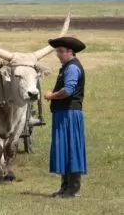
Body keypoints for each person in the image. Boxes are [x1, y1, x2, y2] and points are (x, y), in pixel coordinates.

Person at [44, 36, 87, 198]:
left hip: (69, 114)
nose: (58, 55)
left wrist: (52, 95)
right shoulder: (67, 66)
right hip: (63, 113)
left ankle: (73, 189)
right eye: (57, 51)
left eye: (60, 51)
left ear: (70, 52)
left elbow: (68, 90)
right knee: (64, 148)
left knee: (71, 149)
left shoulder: (72, 68)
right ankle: (65, 187)